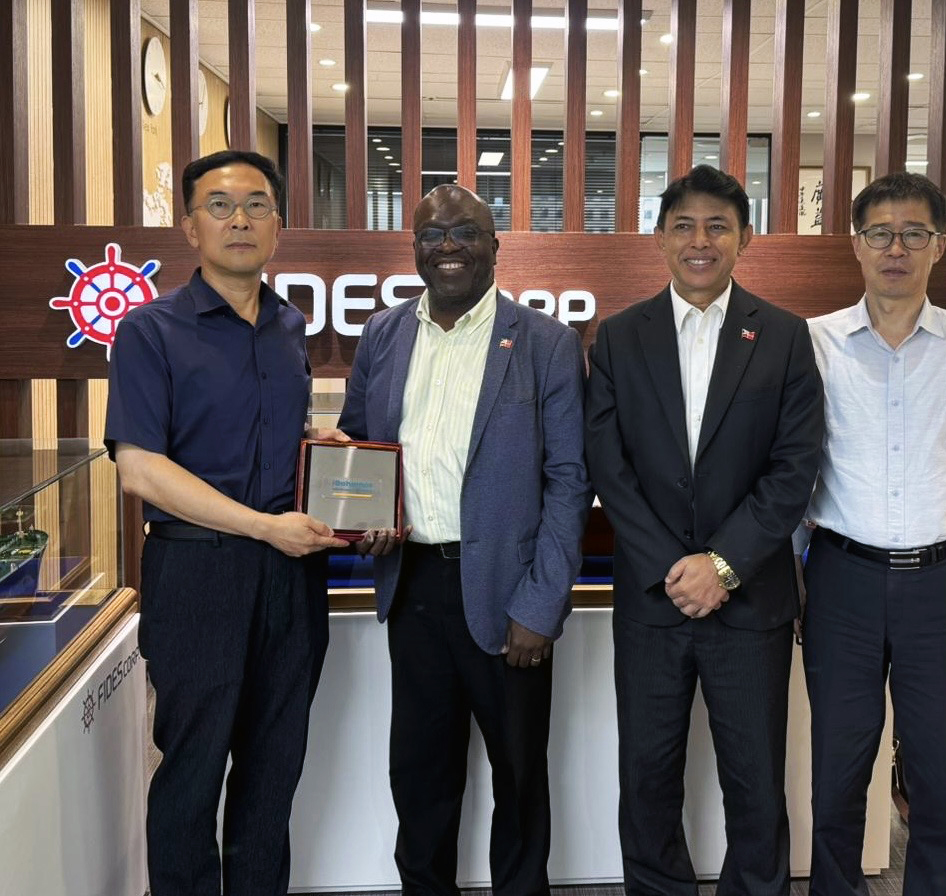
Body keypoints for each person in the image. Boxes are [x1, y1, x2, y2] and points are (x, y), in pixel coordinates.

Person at [104, 149, 347, 896]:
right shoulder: (150, 330)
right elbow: (141, 469)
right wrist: (262, 526)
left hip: (291, 581)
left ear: (278, 224)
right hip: (197, 575)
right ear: (190, 226)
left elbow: (257, 442)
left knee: (273, 775)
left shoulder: (287, 326)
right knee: (192, 774)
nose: (238, 219)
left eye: (256, 204)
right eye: (219, 205)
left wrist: (318, 449)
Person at [337, 183, 591, 896]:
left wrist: (541, 605)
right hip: (413, 587)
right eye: (432, 235)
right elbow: (357, 446)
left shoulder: (544, 342)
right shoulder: (382, 335)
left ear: (494, 246)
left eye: (465, 232)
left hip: (510, 597)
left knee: (519, 778)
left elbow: (570, 481)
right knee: (420, 777)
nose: (447, 246)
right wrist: (361, 516)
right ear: (415, 247)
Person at [585, 164, 825, 895]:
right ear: (659, 238)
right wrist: (674, 567)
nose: (700, 241)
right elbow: (608, 465)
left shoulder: (783, 336)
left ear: (744, 238)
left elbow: (795, 468)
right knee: (647, 777)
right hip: (652, 601)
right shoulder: (619, 337)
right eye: (684, 226)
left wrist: (720, 565)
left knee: (755, 783)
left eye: (718, 226)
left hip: (749, 600)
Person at [799, 171, 946, 896]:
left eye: (913, 234)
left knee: (938, 774)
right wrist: (795, 574)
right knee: (838, 769)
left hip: (945, 584)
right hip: (841, 580)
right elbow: (794, 470)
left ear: (939, 245)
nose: (895, 248)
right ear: (856, 244)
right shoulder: (815, 343)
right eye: (880, 233)